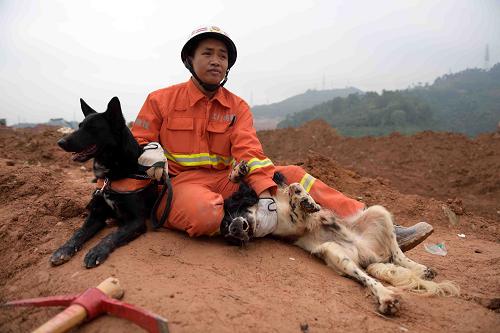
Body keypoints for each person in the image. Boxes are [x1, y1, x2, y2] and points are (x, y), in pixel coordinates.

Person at [131, 26, 433, 251]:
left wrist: (265, 195)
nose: (216, 61)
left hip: (229, 180)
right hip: (183, 185)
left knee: (295, 176)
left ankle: (379, 227)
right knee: (204, 212)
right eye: (207, 54)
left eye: (222, 56)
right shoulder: (160, 101)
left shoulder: (237, 106)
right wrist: (149, 153)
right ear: (189, 60)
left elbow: (249, 151)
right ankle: (237, 224)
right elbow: (138, 143)